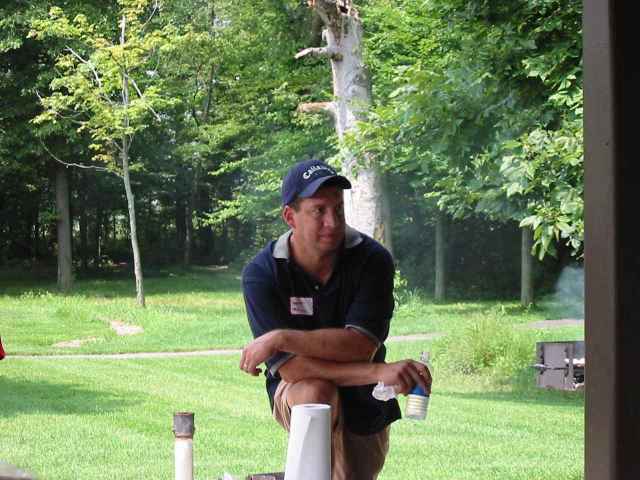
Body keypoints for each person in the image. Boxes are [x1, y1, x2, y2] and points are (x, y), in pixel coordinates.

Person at [240, 159, 432, 480]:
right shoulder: (262, 274)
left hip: (366, 399)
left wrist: (281, 338)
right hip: (300, 389)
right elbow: (293, 369)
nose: (332, 221)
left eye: (338, 209)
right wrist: (379, 371)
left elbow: (360, 346)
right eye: (319, 211)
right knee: (315, 392)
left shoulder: (373, 260)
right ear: (290, 217)